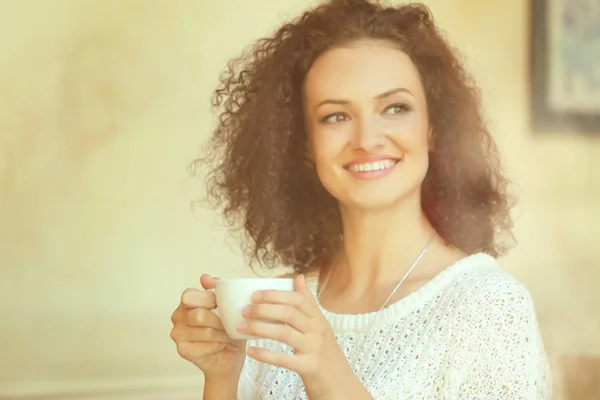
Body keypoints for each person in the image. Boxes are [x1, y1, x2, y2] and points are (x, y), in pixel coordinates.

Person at [170, 0, 553, 398]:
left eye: (394, 108)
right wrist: (221, 376)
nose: (367, 140)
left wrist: (330, 375)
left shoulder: (490, 308)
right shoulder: (279, 309)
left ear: (434, 128)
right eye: (336, 116)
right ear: (303, 144)